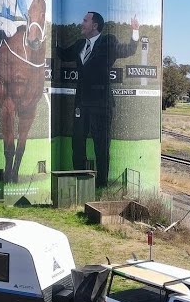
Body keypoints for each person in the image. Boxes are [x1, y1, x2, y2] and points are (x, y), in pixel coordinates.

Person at [55, 11, 140, 188]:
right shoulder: (80, 44)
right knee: (77, 143)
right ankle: (79, 180)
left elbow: (129, 50)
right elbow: (63, 54)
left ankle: (101, 185)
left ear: (94, 25)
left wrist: (135, 31)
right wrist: (48, 33)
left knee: (101, 147)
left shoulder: (108, 42)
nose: (81, 23)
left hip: (101, 105)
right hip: (81, 104)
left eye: (85, 20)